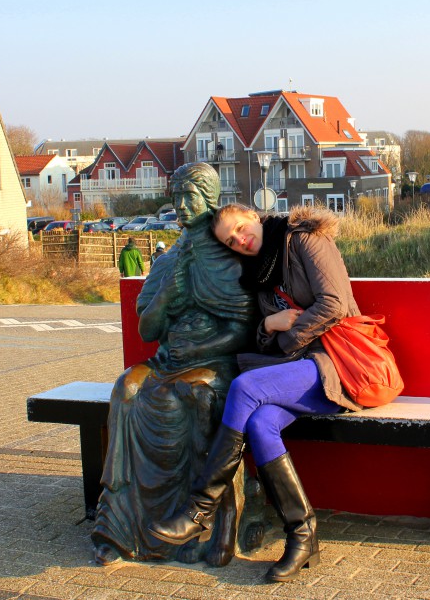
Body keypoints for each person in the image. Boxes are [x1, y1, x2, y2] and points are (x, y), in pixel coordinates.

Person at [148, 203, 362, 583]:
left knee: (245, 386)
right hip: (297, 371)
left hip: (336, 364)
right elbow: (263, 339)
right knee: (262, 423)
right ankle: (303, 534)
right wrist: (269, 322)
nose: (241, 241)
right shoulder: (257, 274)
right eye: (231, 241)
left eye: (241, 229)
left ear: (253, 216)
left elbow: (335, 304)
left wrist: (286, 338)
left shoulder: (306, 240)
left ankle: (199, 510)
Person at [92, 164, 266, 567]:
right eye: (177, 197)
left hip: (216, 364)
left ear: (211, 200)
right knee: (127, 390)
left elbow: (246, 330)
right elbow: (148, 328)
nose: (181, 207)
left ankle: (205, 526)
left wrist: (201, 347)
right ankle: (119, 526)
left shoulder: (232, 259)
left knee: (193, 393)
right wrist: (168, 293)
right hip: (168, 360)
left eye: (191, 197)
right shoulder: (168, 261)